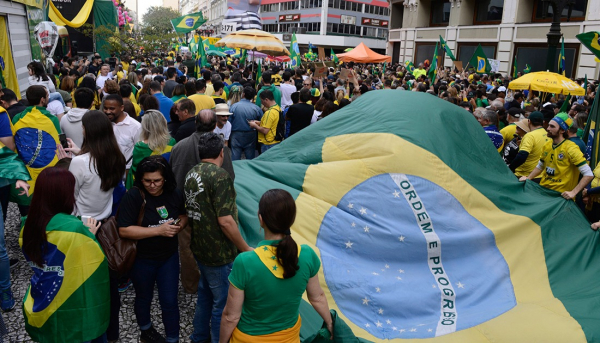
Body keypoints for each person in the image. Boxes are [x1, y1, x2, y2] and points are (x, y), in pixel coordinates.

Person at [220, 189, 333, 342]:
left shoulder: (245, 261)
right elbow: (317, 297)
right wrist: (330, 323)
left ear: (261, 219)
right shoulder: (307, 255)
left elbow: (231, 316)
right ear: (291, 220)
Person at [21, 167, 109, 342]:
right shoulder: (74, 228)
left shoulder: (27, 224)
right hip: (73, 302)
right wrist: (89, 235)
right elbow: (93, 263)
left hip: (43, 298)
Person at [184, 132, 252, 343]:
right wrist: (245, 247)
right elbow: (226, 221)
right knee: (222, 304)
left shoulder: (192, 172)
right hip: (219, 253)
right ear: (222, 152)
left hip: (200, 248)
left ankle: (199, 337)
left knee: (204, 297)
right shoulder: (220, 176)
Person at [119, 156, 186, 343]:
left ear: (165, 178)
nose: (152, 185)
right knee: (143, 297)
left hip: (168, 258)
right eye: (147, 181)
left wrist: (178, 226)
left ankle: (173, 338)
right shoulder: (134, 196)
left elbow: (183, 215)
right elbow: (124, 229)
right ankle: (146, 330)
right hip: (142, 259)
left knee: (170, 301)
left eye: (157, 180)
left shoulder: (174, 193)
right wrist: (159, 230)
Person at [171, 110, 236, 295]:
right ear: (215, 124)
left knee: (186, 249)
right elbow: (229, 177)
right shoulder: (220, 149)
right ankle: (211, 284)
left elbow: (173, 178)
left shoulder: (179, 147)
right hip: (214, 212)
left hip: (185, 210)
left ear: (195, 123)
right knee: (214, 248)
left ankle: (191, 286)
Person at [65, 110, 126, 221]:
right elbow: (97, 165)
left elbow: (71, 196)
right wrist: (79, 153)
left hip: (81, 223)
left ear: (88, 131)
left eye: (83, 128)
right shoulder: (117, 157)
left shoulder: (79, 162)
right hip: (105, 220)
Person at [520, 113, 593, 199]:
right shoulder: (547, 145)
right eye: (548, 126)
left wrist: (573, 192)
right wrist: (528, 178)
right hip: (544, 192)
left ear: (562, 130)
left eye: (552, 126)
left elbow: (588, 174)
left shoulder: (571, 148)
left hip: (560, 198)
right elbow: (540, 166)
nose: (547, 128)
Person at [11, 85, 61, 208]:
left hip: (25, 170)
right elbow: (58, 144)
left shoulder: (18, 118)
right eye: (47, 96)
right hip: (46, 171)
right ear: (42, 99)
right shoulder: (52, 119)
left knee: (26, 206)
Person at [125, 110, 176, 189]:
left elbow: (136, 171)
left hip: (146, 186)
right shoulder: (172, 142)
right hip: (164, 184)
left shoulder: (140, 146)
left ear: (145, 127)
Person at [103, 94, 142, 171]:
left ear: (121, 108)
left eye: (112, 109)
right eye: (105, 108)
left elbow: (139, 153)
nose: (108, 112)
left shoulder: (136, 127)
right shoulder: (103, 123)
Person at [509, 111, 548, 180]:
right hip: (540, 175)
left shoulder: (530, 136)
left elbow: (522, 155)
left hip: (524, 176)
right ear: (543, 122)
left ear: (529, 121)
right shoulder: (547, 134)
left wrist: (510, 168)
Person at [229, 87, 262, 160]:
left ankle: (235, 170)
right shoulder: (256, 108)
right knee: (250, 156)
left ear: (243, 94)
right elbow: (262, 122)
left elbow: (229, 122)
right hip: (251, 134)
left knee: (235, 156)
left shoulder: (234, 106)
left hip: (236, 134)